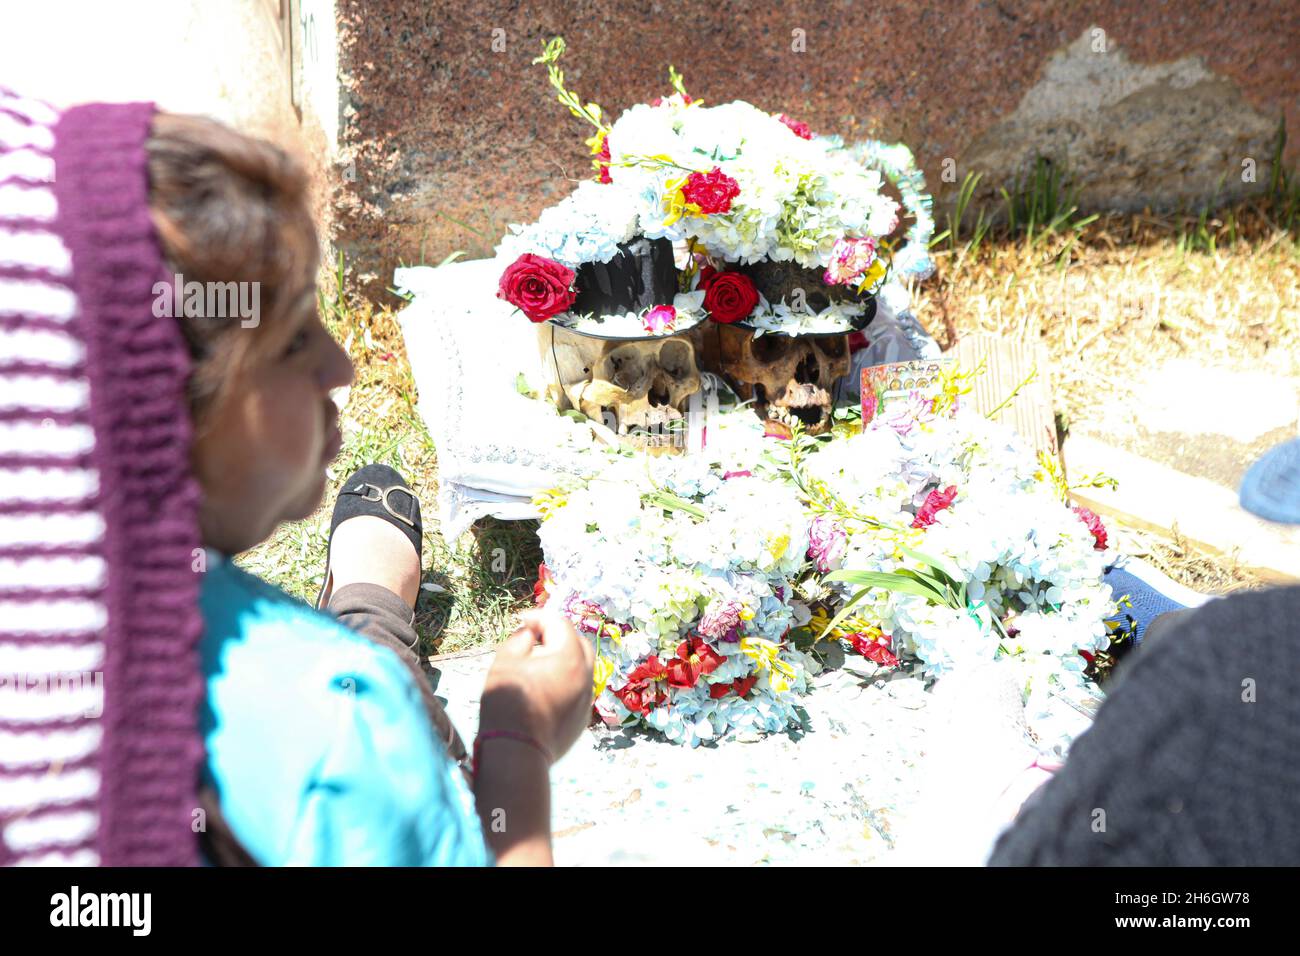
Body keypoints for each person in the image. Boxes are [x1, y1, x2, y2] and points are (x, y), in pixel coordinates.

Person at [0, 87, 594, 866]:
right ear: (157, 407)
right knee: (379, 680)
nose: (339, 365)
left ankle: (372, 614)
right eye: (291, 341)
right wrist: (520, 747)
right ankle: (372, 617)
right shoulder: (333, 735)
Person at [986, 438, 1300, 865]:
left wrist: (1028, 790)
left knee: (975, 711)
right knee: (1171, 624)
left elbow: (1052, 851)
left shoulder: (1237, 653)